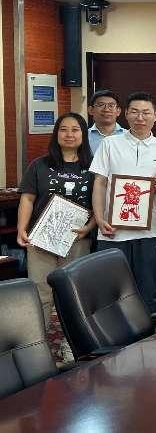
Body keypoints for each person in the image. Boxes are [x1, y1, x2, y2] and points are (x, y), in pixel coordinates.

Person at [90, 92, 156, 313]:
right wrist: (99, 219)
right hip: (112, 230)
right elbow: (99, 182)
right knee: (112, 292)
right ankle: (114, 334)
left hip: (151, 231)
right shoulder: (110, 144)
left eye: (146, 112)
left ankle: (149, 333)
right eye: (135, 112)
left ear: (155, 115)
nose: (140, 117)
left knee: (149, 291)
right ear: (126, 113)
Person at [17, 113, 95, 329]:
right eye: (63, 129)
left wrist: (89, 227)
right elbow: (27, 198)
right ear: (56, 134)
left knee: (73, 291)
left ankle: (73, 342)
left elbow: (99, 204)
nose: (69, 134)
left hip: (77, 239)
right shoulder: (39, 165)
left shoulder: (94, 166)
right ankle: (37, 339)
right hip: (41, 239)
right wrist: (22, 228)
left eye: (75, 130)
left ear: (83, 134)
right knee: (40, 291)